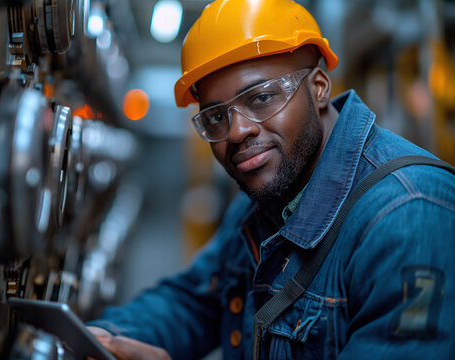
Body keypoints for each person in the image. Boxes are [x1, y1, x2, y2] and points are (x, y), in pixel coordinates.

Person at [86, 0, 455, 359]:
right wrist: (103, 340)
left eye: (261, 98)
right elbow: (195, 300)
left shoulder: (411, 215)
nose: (237, 131)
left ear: (320, 87)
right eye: (215, 117)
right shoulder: (268, 194)